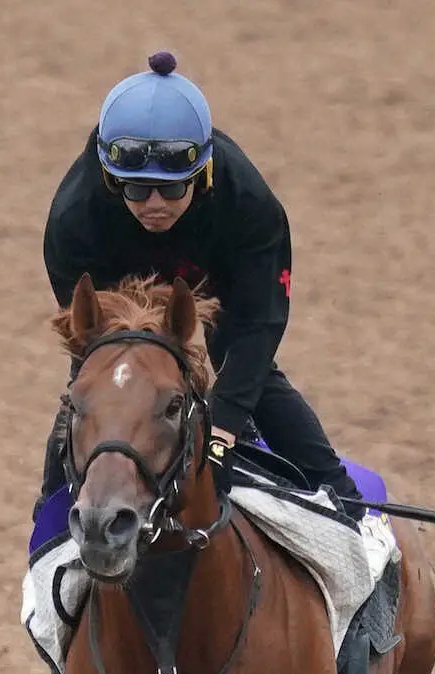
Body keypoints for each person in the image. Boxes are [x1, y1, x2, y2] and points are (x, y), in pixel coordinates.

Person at [35, 50, 364, 518]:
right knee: (96, 385)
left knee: (247, 370)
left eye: (172, 189)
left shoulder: (250, 205)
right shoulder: (74, 221)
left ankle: (348, 503)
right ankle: (48, 539)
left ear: (203, 172)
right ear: (110, 178)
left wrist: (225, 421)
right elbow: (96, 342)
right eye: (135, 188)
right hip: (118, 285)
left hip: (218, 267)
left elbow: (259, 323)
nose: (153, 204)